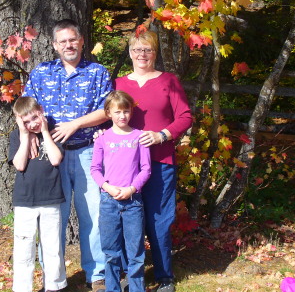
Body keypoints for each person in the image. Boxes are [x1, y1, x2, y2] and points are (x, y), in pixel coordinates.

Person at [22, 19, 112, 292]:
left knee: (93, 217)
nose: (68, 45)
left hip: (87, 154)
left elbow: (107, 110)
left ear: (82, 41)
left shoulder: (98, 72)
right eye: (62, 41)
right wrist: (30, 137)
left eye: (72, 40)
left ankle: (96, 274)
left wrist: (76, 124)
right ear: (54, 45)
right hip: (51, 157)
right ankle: (53, 278)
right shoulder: (41, 73)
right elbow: (25, 110)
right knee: (52, 218)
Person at [114, 30, 193, 292]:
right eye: (137, 50)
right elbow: (107, 115)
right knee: (128, 219)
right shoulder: (119, 84)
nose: (142, 55)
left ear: (155, 53)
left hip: (160, 161)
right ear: (130, 53)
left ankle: (164, 276)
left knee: (159, 218)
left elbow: (185, 116)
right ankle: (130, 275)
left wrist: (162, 135)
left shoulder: (169, 81)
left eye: (147, 50)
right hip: (126, 165)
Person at [91, 90, 151, 292]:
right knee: (111, 251)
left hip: (133, 201)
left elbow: (146, 169)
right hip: (109, 201)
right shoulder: (102, 138)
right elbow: (95, 169)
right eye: (117, 112)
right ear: (108, 113)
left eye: (126, 111)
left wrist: (132, 188)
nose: (122, 116)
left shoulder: (139, 137)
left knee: (135, 252)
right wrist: (106, 186)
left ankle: (136, 288)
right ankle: (112, 288)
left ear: (131, 112)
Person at [9, 96, 67, 292]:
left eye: (35, 117)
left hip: (50, 198)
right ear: (19, 121)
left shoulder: (53, 132)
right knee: (23, 247)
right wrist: (24, 135)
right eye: (26, 121)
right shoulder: (16, 136)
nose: (32, 124)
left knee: (51, 246)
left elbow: (56, 159)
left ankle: (54, 285)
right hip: (25, 200)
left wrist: (44, 131)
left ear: (41, 111)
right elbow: (19, 164)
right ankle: (22, 287)